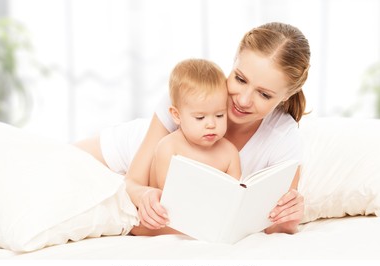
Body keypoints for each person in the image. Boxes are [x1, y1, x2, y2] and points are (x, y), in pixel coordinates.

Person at [75, 21, 309, 236]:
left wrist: (289, 219)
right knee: (51, 166)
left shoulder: (283, 138)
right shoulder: (191, 94)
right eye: (240, 79)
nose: (244, 100)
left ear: (286, 95)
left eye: (264, 94)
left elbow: (273, 224)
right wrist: (145, 194)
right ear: (234, 61)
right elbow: (132, 183)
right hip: (124, 148)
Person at [150, 58, 241, 191]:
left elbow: (235, 195)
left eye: (220, 115)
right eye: (200, 117)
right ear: (176, 115)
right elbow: (165, 195)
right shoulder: (169, 148)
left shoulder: (230, 153)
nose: (211, 124)